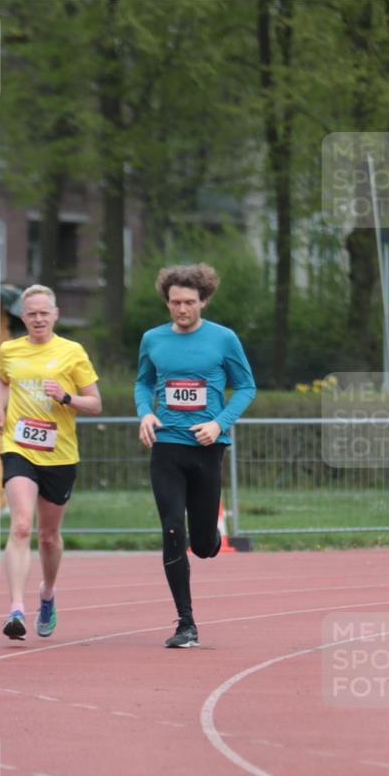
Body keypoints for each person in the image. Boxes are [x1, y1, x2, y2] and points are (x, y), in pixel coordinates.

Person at [134, 263, 256, 648]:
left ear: (203, 301)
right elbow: (142, 382)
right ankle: (186, 623)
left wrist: (219, 424)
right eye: (174, 303)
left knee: (202, 544)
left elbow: (247, 387)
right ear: (167, 303)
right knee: (172, 529)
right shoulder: (152, 339)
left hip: (206, 448)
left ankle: (209, 540)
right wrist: (145, 412)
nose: (181, 309)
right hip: (166, 446)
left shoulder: (223, 339)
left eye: (189, 302)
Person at [0, 284, 101, 640]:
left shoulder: (72, 352)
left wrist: (66, 397)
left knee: (49, 536)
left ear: (55, 315)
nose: (38, 319)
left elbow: (95, 404)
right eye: (31, 313)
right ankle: (16, 609)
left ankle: (47, 594)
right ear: (23, 316)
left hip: (59, 454)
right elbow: (2, 380)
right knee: (21, 525)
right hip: (18, 447)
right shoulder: (9, 349)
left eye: (44, 313)